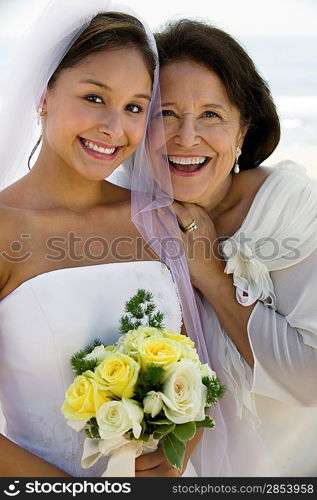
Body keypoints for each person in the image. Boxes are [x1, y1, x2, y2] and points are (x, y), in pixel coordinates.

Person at [0, 2, 204, 477]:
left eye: (134, 107)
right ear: (44, 94)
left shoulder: (159, 220)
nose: (114, 129)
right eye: (94, 98)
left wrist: (180, 451)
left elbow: (196, 371)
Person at [153, 20, 317, 476]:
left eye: (211, 114)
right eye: (165, 113)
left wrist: (210, 273)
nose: (187, 138)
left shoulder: (290, 210)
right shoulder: (124, 214)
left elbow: (311, 381)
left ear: (243, 130)